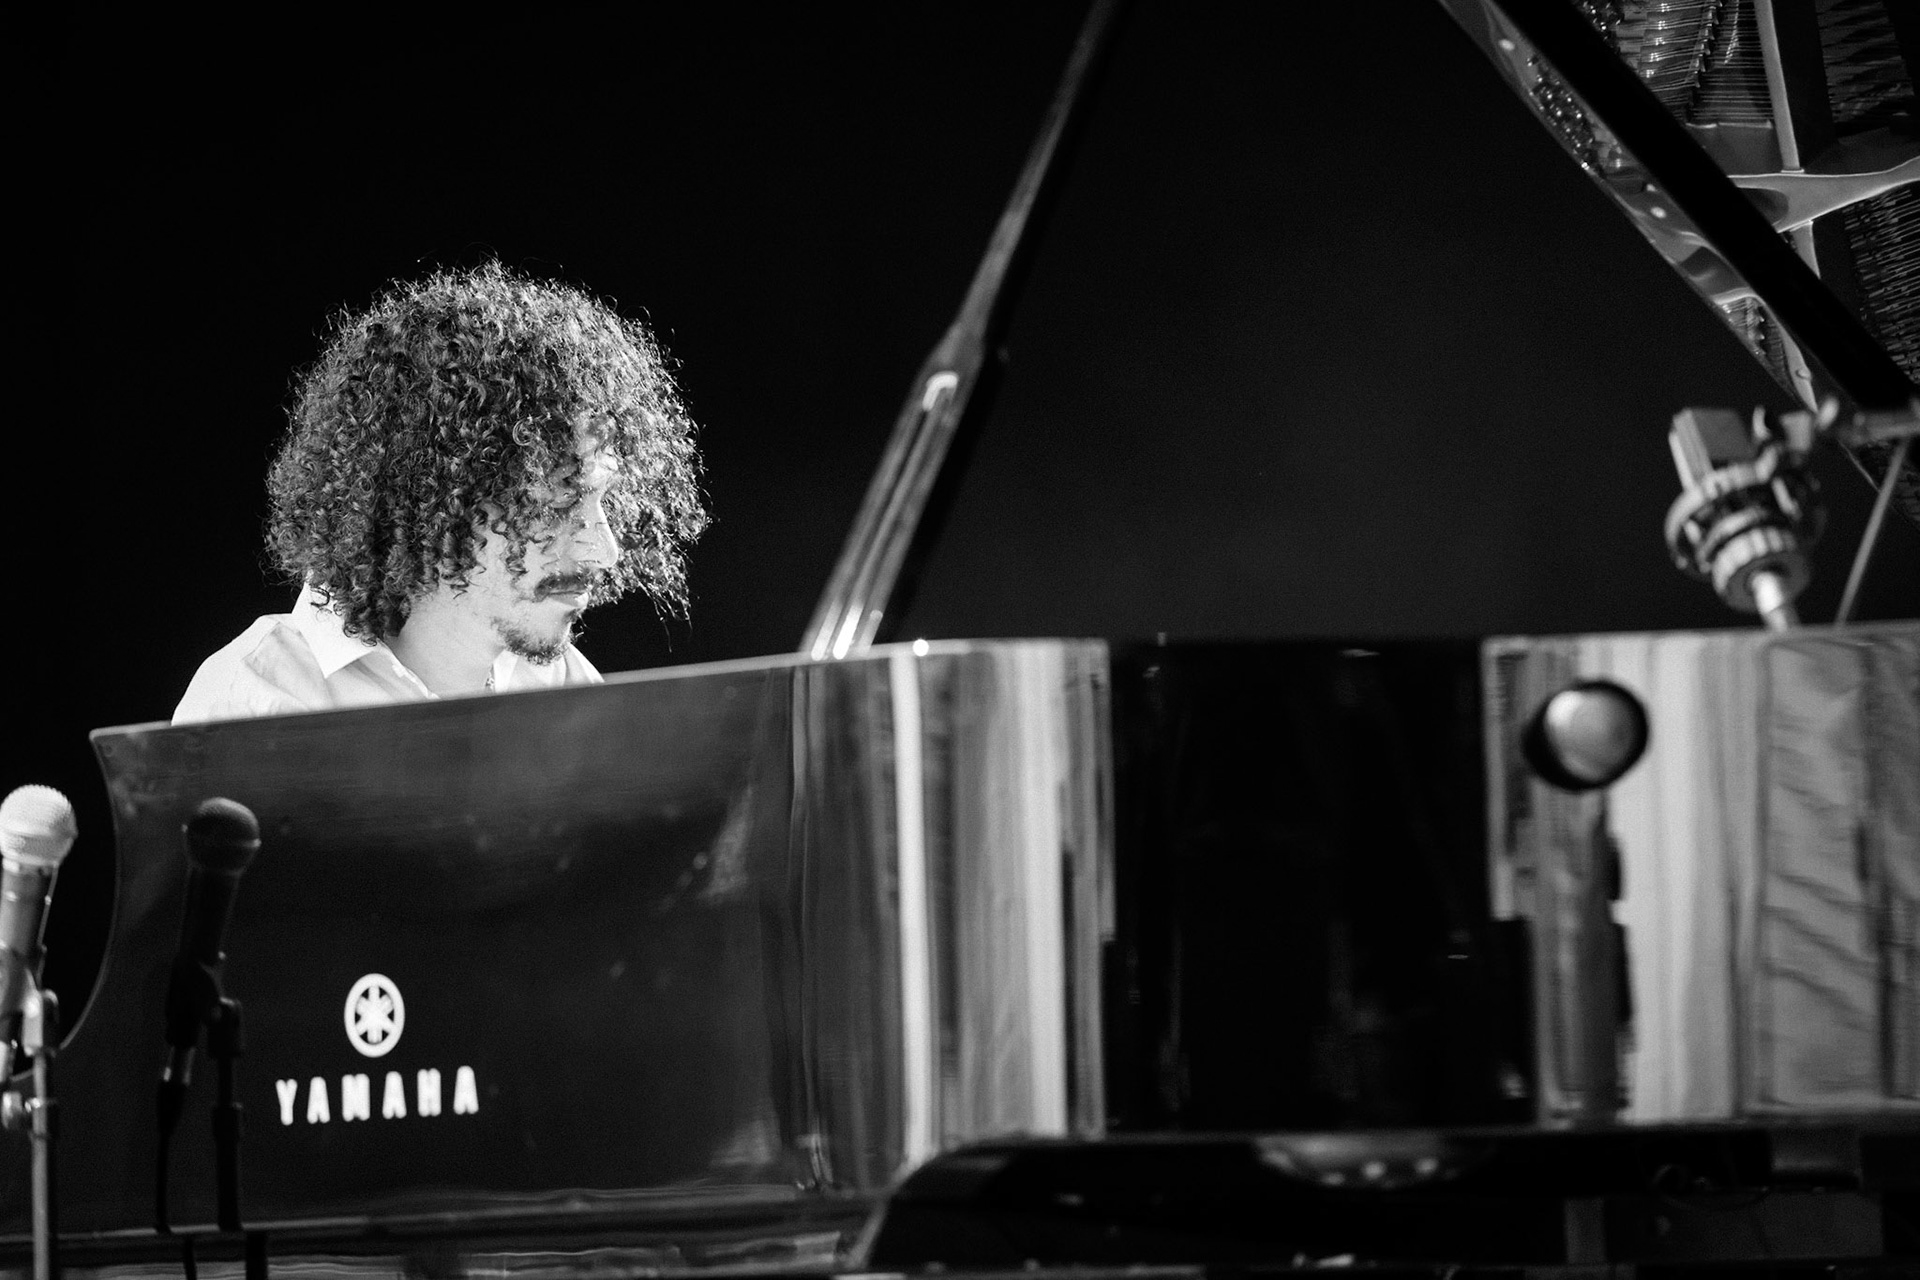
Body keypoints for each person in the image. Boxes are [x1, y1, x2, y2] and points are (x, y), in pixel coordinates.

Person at [174, 262, 707, 723]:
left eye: (602, 501)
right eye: (562, 503)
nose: (607, 550)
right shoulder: (258, 698)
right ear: (438, 503)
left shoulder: (561, 686)